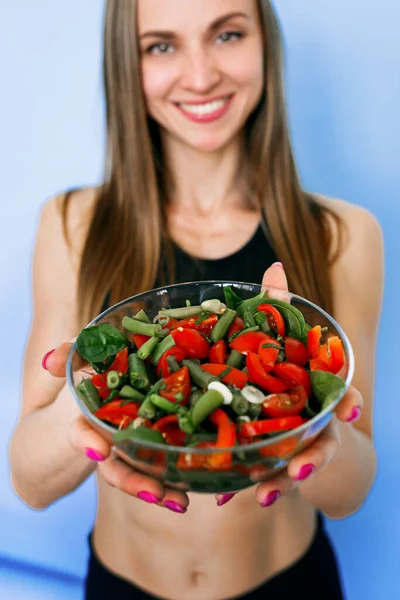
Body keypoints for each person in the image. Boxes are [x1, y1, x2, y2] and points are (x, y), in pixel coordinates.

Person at [9, 0, 383, 598]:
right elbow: (29, 482)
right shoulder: (74, 222)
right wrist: (80, 418)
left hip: (292, 584)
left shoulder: (344, 233)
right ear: (126, 64)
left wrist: (311, 439)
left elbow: (354, 491)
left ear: (266, 42)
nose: (202, 74)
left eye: (227, 34)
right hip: (122, 585)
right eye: (161, 45)